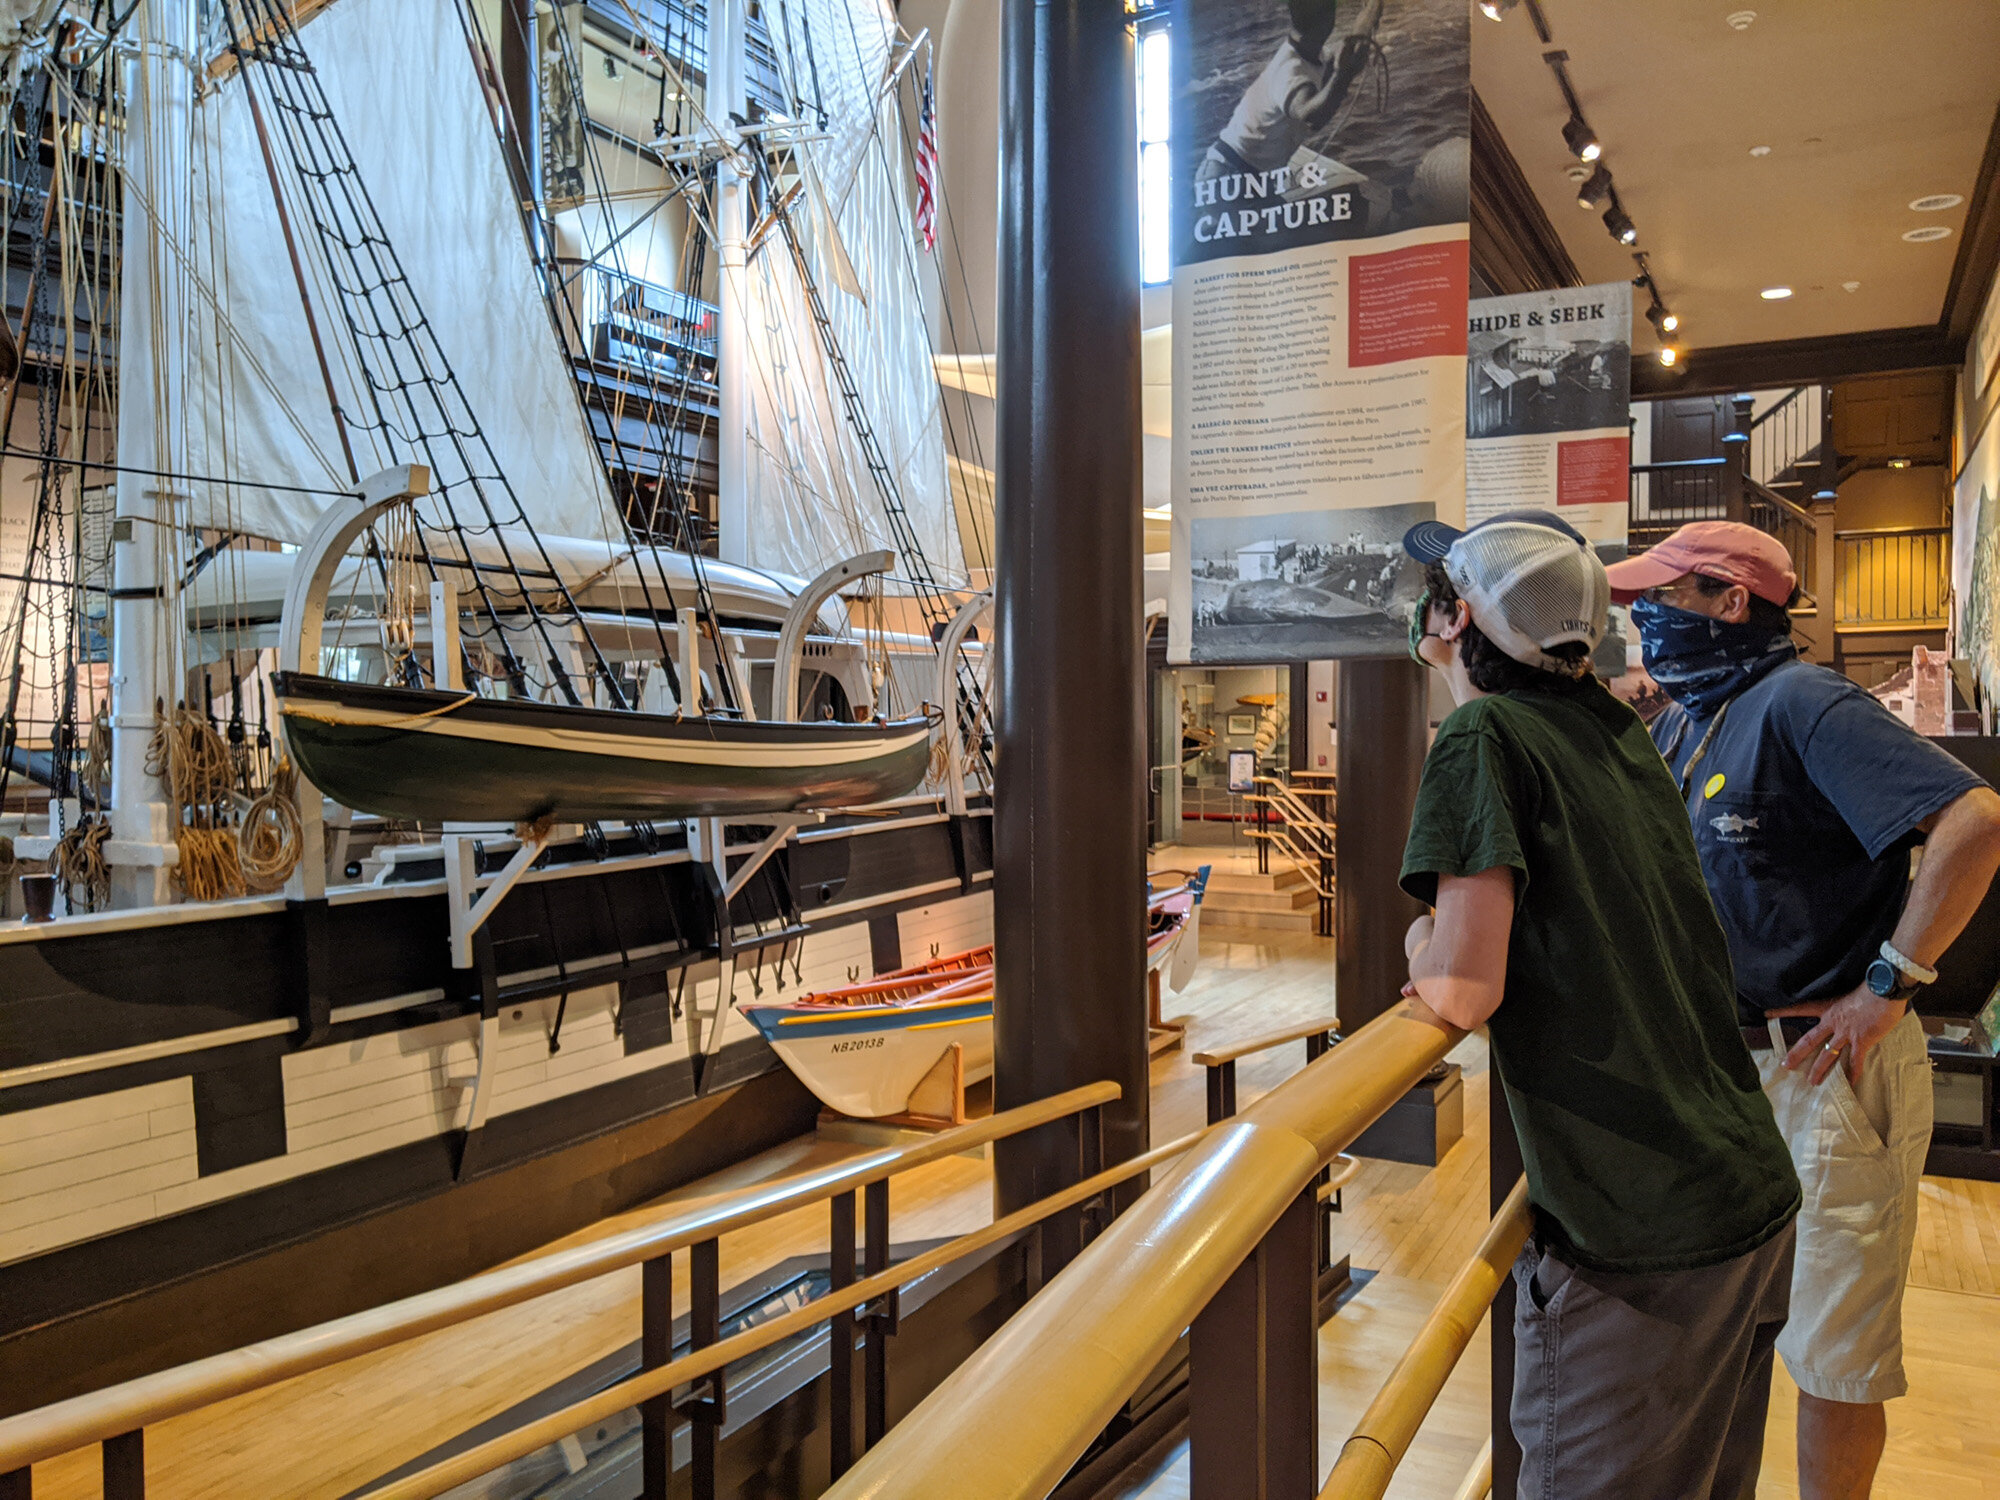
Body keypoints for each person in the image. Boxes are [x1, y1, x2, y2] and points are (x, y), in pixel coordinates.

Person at [1398, 510, 1800, 1499]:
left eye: (1435, 594)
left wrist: (1415, 942)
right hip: (1744, 1191)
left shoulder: (1480, 734)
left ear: (1453, 622)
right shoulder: (1616, 730)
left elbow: (1457, 984)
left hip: (1641, 1235)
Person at [1606, 522, 2000, 1500]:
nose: (1641, 620)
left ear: (1729, 601)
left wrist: (1889, 984)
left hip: (1818, 1068)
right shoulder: (1696, 715)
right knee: (1726, 1319)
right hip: (1725, 1074)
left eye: (1661, 598)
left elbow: (1974, 821)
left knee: (1833, 1343)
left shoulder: (1799, 701)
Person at [1197, 0, 1382, 180]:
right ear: (1328, 19)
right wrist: (1343, 74)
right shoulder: (1289, 69)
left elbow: (1324, 104)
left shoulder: (1314, 56)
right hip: (1229, 172)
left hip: (1248, 175)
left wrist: (1366, 23)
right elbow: (1309, 115)